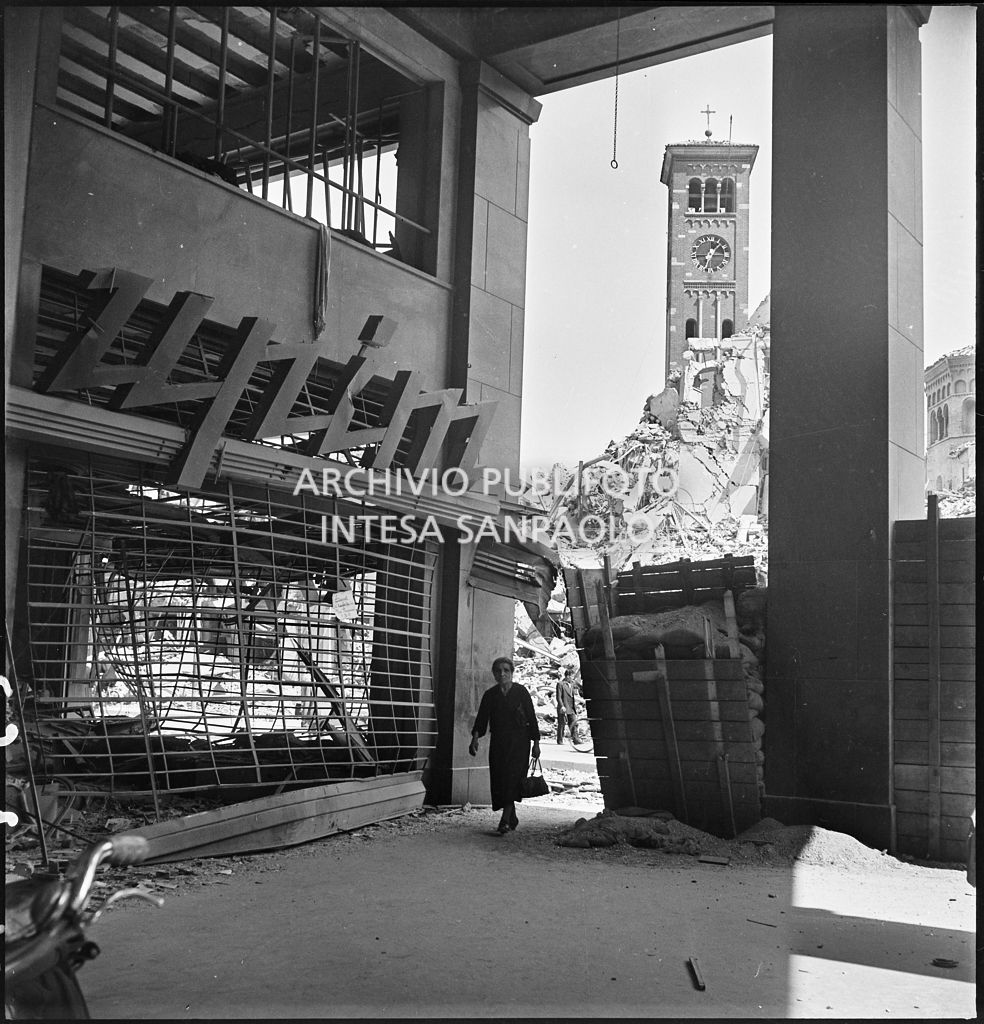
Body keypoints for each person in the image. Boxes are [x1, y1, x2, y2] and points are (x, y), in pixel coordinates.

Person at [469, 657, 541, 834]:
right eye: (498, 671)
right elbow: (482, 718)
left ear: (512, 672)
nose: (502, 674)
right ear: (494, 674)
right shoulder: (490, 695)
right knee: (501, 779)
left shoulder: (521, 692)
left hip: (519, 742)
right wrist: (475, 738)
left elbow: (531, 718)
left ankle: (505, 820)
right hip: (499, 742)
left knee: (513, 778)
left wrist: (536, 743)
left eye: (506, 670)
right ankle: (512, 816)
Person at [555, 665, 580, 745]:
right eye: (572, 676)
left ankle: (575, 739)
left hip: (571, 707)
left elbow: (579, 688)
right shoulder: (560, 684)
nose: (573, 678)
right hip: (564, 706)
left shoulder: (572, 684)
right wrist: (562, 706)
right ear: (568, 676)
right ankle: (560, 740)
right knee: (562, 723)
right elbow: (558, 697)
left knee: (573, 723)